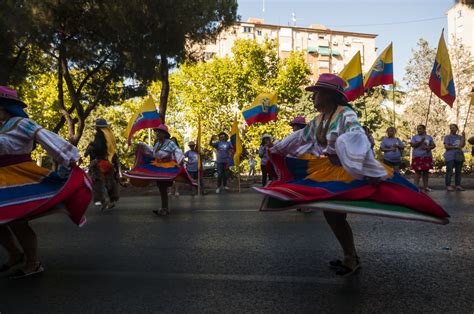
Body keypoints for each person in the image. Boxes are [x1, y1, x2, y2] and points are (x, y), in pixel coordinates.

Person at [253, 74, 449, 276]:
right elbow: (299, 138)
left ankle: (351, 257)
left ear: (329, 95)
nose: (313, 98)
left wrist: (368, 168)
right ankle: (350, 257)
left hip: (349, 169)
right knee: (332, 215)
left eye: (316, 93)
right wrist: (276, 148)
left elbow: (357, 137)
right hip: (328, 169)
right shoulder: (319, 120)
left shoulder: (345, 114)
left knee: (359, 207)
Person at [0, 86, 91, 278]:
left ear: (4, 106)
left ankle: (32, 263)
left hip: (20, 174)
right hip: (3, 177)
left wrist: (68, 157)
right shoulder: (2, 126)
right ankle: (16, 255)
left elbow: (45, 137)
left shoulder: (21, 123)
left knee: (18, 221)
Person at [125, 125, 191, 216]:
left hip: (167, 168)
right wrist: (141, 146)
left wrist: (180, 163)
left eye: (159, 132)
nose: (157, 133)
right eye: (156, 132)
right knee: (161, 187)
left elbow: (177, 152)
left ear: (164, 134)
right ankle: (164, 208)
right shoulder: (157, 144)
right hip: (158, 166)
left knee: (162, 187)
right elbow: (153, 154)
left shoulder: (170, 143)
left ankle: (165, 208)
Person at [85, 118, 120, 210]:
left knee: (97, 182)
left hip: (99, 162)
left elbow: (99, 148)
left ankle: (104, 201)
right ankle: (112, 199)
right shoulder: (109, 134)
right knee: (109, 181)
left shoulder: (99, 135)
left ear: (98, 127)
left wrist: (92, 147)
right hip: (108, 161)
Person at [410, 124, 436, 192]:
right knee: (417, 172)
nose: (418, 130)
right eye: (418, 129)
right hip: (417, 156)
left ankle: (426, 187)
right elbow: (412, 145)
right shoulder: (415, 137)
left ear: (424, 129)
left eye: (420, 128)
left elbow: (433, 145)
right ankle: (415, 187)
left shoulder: (429, 137)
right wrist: (420, 141)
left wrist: (429, 147)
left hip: (427, 156)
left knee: (426, 172)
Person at [443, 124, 465, 191]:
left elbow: (462, 145)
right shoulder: (447, 137)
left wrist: (464, 136)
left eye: (454, 128)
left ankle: (458, 185)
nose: (452, 129)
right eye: (451, 128)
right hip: (450, 156)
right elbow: (446, 146)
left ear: (457, 129)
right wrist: (455, 147)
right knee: (449, 171)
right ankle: (448, 185)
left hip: (459, 155)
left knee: (458, 171)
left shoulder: (460, 137)